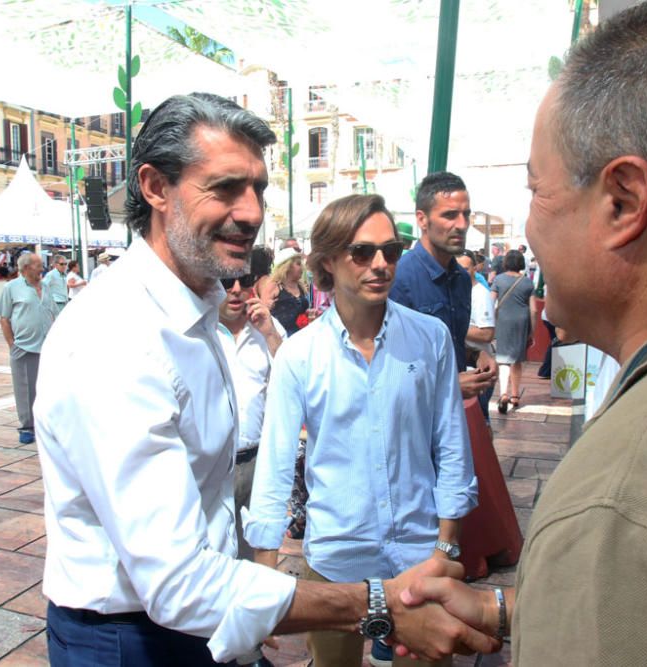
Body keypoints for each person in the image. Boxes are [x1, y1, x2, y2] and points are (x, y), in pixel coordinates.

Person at [399, 1, 647, 663]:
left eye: (537, 189)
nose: (529, 228)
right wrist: (526, 608)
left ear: (621, 201)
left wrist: (585, 582)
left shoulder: (620, 504)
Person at [33, 92, 494, 667]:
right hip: (130, 637)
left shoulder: (195, 313)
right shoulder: (115, 336)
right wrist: (377, 603)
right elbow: (178, 579)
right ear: (155, 188)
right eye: (225, 187)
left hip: (201, 619)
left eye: (258, 190)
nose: (251, 212)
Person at [246, 194, 478, 667]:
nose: (381, 264)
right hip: (335, 559)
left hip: (419, 555)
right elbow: (273, 465)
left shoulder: (429, 336)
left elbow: (452, 445)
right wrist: (265, 577)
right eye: (362, 252)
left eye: (391, 251)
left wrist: (446, 546)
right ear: (328, 261)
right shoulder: (301, 354)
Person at [217, 261, 285, 667]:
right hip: (212, 465)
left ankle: (249, 648)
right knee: (214, 553)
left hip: (255, 462)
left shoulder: (267, 332)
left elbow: (297, 377)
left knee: (254, 554)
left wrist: (272, 334)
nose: (237, 289)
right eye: (227, 282)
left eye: (244, 281)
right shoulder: (200, 332)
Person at [389, 172, 497, 400]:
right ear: (422, 219)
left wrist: (476, 356)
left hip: (453, 418)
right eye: (450, 215)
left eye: (466, 215)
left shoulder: (460, 278)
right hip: (415, 424)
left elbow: (449, 345)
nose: (462, 225)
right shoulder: (399, 279)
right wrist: (450, 386)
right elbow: (388, 368)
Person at [0, 253, 57, 445]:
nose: (42, 268)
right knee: (25, 388)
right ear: (27, 268)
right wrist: (12, 344)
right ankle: (27, 427)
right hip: (24, 346)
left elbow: (55, 313)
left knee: (47, 387)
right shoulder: (11, 288)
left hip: (47, 347)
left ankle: (45, 424)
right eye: (38, 265)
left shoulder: (45, 287)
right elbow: (4, 318)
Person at [489, 250, 535, 414]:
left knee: (503, 360)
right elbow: (534, 310)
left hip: (503, 320)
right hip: (521, 321)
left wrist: (490, 323)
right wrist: (532, 331)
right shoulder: (527, 283)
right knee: (517, 359)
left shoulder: (499, 280)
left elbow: (491, 302)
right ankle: (515, 396)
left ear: (506, 262)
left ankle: (503, 394)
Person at [457, 251, 496, 420]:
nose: (461, 272)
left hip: (478, 369)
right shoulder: (455, 292)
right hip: (461, 369)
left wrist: (453, 326)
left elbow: (487, 333)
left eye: (466, 268)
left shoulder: (480, 294)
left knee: (481, 421)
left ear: (475, 268)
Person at [267, 247, 310, 336]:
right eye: (298, 264)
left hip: (303, 337)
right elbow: (263, 311)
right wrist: (268, 307)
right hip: (282, 339)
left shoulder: (301, 286)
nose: (302, 267)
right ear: (287, 266)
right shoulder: (275, 285)